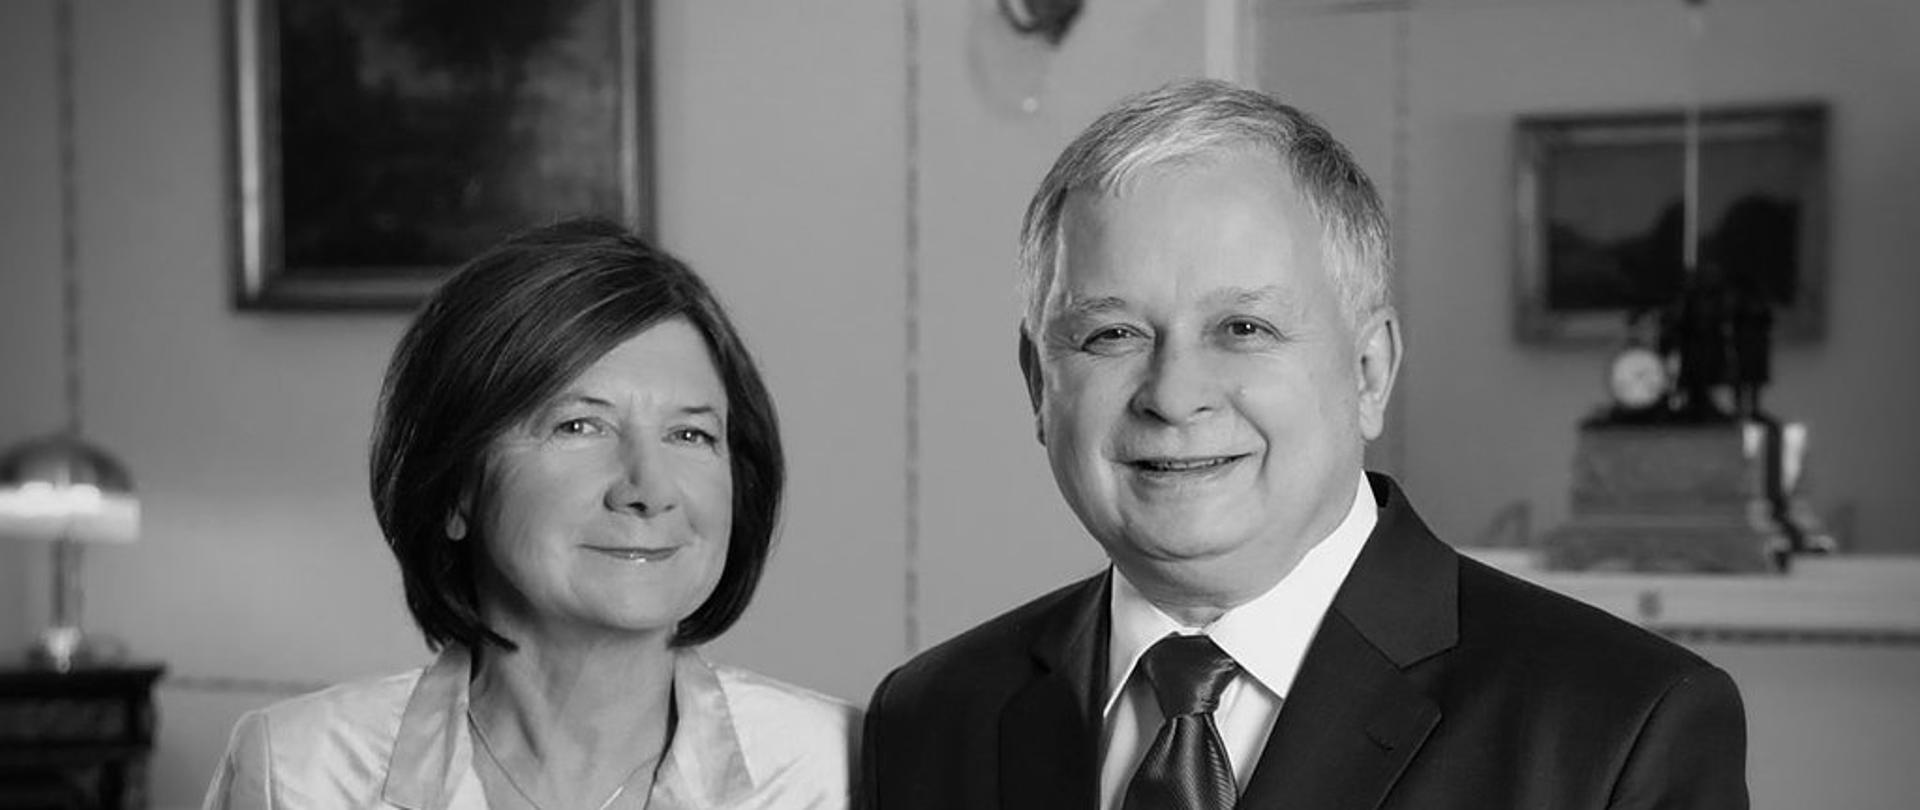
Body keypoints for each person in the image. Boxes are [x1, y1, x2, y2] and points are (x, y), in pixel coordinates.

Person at [860, 80, 1748, 809]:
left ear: (1369, 370)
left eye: (1243, 327)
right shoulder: (934, 717)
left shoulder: (1620, 728)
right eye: (1110, 336)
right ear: (1037, 384)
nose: (1174, 395)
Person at [204, 219, 856, 810]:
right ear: (458, 486)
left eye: (691, 436)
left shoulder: (843, 770)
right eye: (579, 426)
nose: (649, 489)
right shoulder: (297, 773)